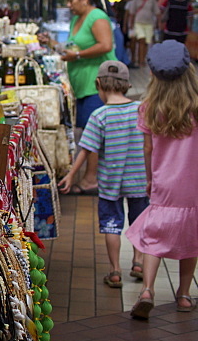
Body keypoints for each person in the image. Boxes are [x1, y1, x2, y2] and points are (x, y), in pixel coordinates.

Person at [58, 60, 148, 288]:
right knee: (139, 222)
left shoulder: (100, 115)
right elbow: (152, 145)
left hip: (111, 184)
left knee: (111, 225)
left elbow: (86, 150)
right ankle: (138, 262)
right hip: (139, 181)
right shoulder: (141, 110)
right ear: (127, 85)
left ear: (98, 84)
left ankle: (115, 270)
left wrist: (71, 175)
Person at [126, 40, 198, 319]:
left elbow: (148, 149)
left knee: (153, 236)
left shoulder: (149, 107)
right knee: (191, 235)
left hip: (163, 181)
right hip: (192, 183)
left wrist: (149, 178)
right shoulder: (195, 106)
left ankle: (147, 289)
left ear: (154, 75)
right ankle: (183, 294)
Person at [39, 0, 116, 193]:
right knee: (87, 130)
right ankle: (91, 175)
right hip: (82, 84)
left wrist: (78, 55)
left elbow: (105, 45)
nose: (69, 5)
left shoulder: (97, 17)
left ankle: (92, 179)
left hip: (97, 84)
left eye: (71, 0)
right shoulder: (76, 19)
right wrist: (51, 43)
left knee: (94, 132)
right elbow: (73, 48)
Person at [126, 0, 159, 68]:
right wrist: (131, 23)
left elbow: (156, 11)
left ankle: (143, 59)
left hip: (149, 23)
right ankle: (140, 60)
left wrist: (158, 23)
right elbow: (132, 12)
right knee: (141, 40)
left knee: (146, 43)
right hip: (138, 23)